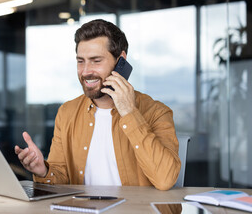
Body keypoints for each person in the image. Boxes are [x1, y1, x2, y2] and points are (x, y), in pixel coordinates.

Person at [15, 19, 181, 190]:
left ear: (121, 61)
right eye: (81, 61)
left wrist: (129, 113)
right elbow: (61, 180)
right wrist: (43, 171)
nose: (86, 71)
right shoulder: (67, 113)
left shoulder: (157, 112)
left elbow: (165, 180)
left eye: (96, 61)